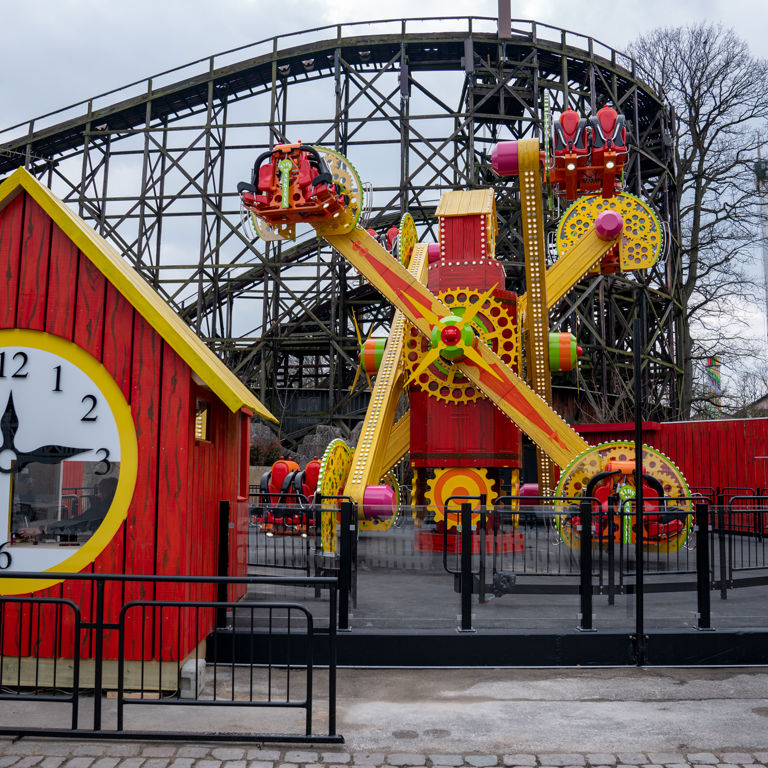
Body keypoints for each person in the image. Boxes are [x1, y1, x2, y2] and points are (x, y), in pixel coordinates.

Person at [18, 476, 118, 540]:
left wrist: (42, 529)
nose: (98, 495)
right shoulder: (113, 505)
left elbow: (77, 523)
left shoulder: (104, 507)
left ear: (105, 492)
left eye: (99, 492)